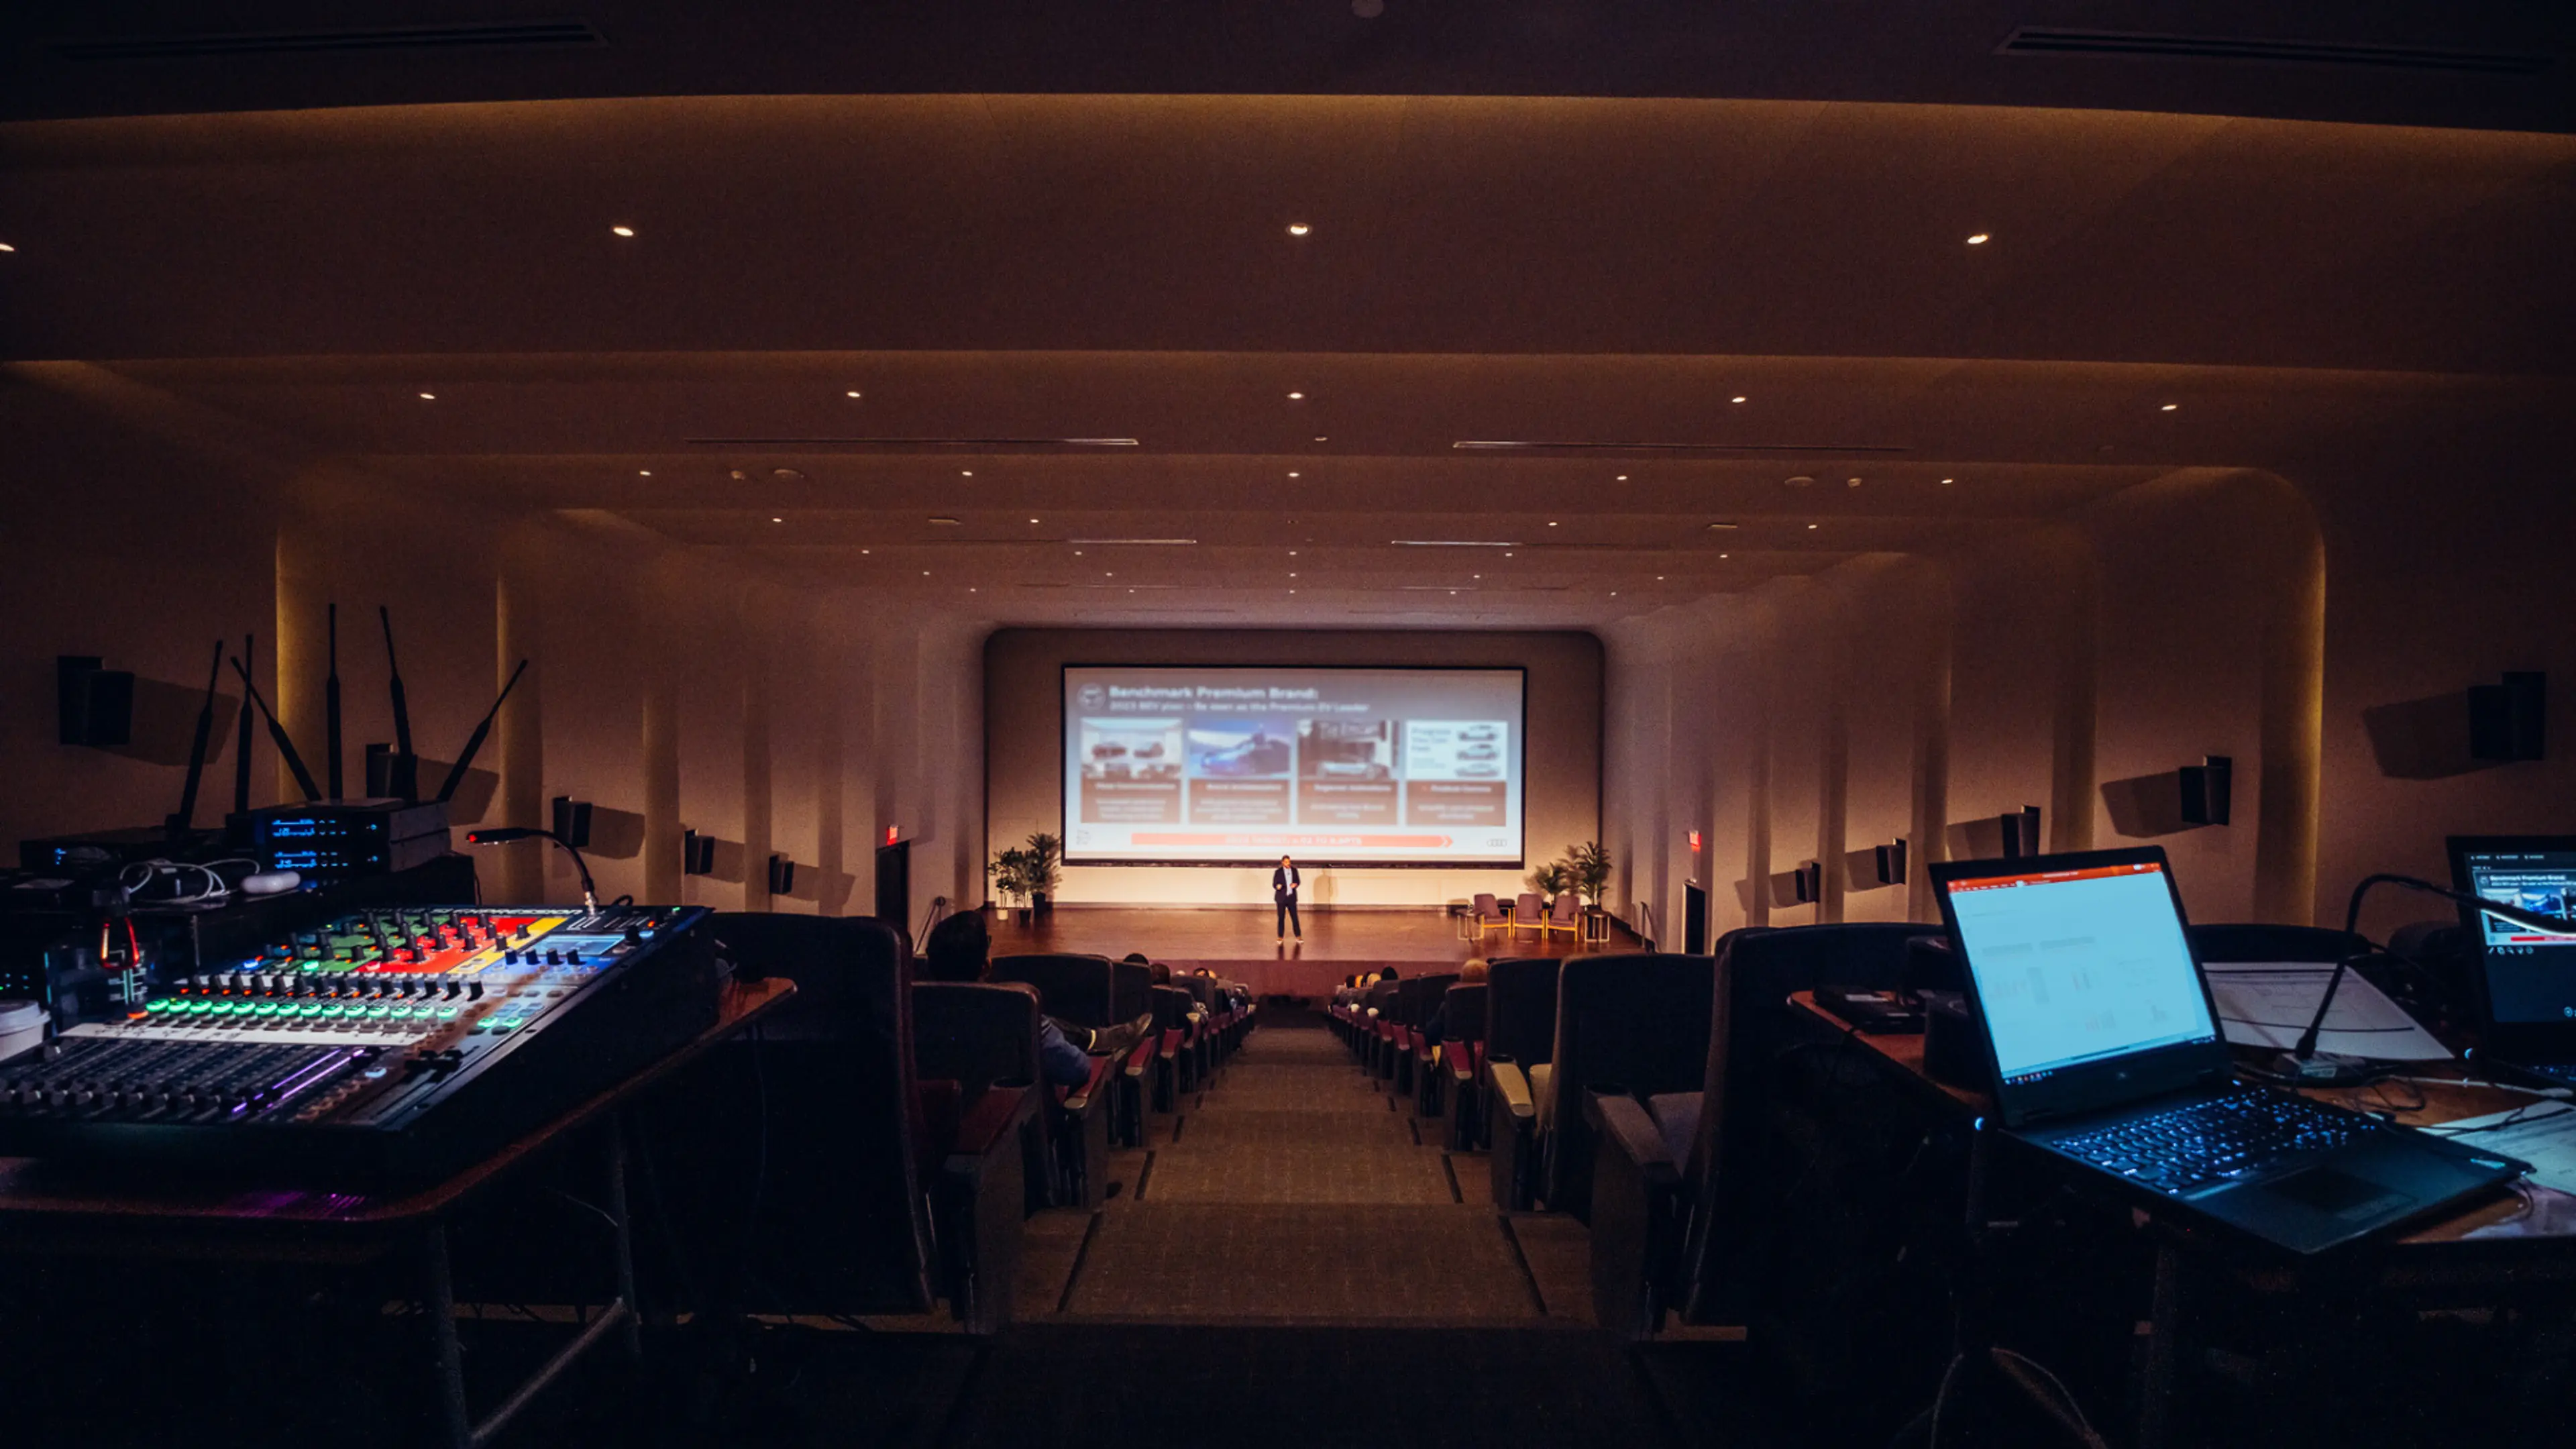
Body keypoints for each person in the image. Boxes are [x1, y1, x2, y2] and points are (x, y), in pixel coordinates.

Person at [920, 910, 1150, 1087]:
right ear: (986, 966)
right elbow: (1078, 1070)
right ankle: (1097, 1039)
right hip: (1005, 1124)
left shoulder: (906, 1010)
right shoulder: (1014, 1011)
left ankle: (1094, 1037)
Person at [1273, 854, 1302, 941]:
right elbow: (1274, 884)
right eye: (1286, 862)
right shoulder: (1278, 872)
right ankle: (1280, 937)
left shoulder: (1294, 870)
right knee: (1281, 918)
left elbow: (1298, 881)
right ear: (1282, 863)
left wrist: (1295, 884)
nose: (1288, 864)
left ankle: (1298, 936)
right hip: (1281, 898)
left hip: (1291, 898)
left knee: (1295, 918)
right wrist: (1277, 886)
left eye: (1289, 862)